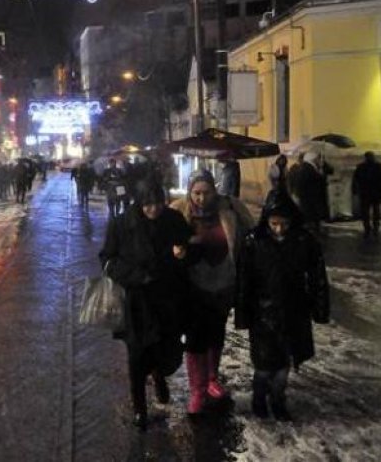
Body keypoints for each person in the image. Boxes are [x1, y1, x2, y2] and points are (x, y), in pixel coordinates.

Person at [100, 182, 192, 430]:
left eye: (158, 203)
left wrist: (183, 253)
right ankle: (140, 407)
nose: (154, 209)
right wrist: (136, 276)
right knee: (136, 355)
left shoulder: (173, 219)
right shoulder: (122, 224)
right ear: (139, 203)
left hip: (166, 299)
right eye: (148, 204)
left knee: (164, 348)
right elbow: (107, 259)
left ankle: (159, 373)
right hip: (136, 302)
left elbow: (188, 248)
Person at [235, 190, 330, 421]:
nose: (279, 229)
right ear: (267, 219)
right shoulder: (253, 241)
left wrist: (320, 308)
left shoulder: (303, 240)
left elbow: (318, 276)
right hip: (263, 314)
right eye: (275, 223)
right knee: (265, 365)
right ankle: (259, 398)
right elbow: (244, 281)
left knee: (284, 365)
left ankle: (278, 400)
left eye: (284, 223)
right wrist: (243, 313)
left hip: (294, 311)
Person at [170, 169, 254, 415]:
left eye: (206, 192)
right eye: (196, 193)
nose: (201, 198)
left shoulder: (231, 207)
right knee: (195, 338)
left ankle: (212, 379)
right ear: (189, 192)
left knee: (216, 334)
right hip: (193, 287)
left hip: (224, 285)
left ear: (214, 191)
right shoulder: (179, 211)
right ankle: (197, 389)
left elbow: (252, 232)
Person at [351, 151, 381, 239]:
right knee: (375, 210)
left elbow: (355, 179)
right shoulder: (378, 166)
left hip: (365, 192)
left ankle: (367, 227)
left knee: (365, 211)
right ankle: (375, 226)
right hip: (375, 192)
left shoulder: (361, 166)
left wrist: (354, 190)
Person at [292, 152, 329, 234]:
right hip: (309, 200)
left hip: (312, 199)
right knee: (311, 221)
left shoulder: (312, 167)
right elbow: (302, 184)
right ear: (313, 159)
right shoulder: (307, 168)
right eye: (318, 159)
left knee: (314, 220)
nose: (319, 160)